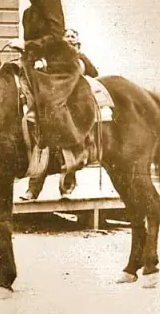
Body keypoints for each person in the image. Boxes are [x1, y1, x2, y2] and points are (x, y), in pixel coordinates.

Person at [4, 0, 96, 201]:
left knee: (50, 109)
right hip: (35, 65)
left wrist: (28, 45)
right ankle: (34, 173)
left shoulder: (50, 0)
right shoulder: (26, 13)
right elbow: (32, 48)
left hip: (58, 64)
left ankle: (74, 156)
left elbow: (57, 35)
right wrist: (25, 53)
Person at [22, 27, 100, 200]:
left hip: (75, 102)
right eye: (67, 36)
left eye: (74, 36)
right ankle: (33, 190)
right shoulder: (54, 57)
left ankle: (66, 188)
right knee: (43, 143)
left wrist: (81, 60)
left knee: (72, 145)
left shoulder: (81, 57)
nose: (70, 39)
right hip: (56, 99)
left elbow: (94, 73)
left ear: (78, 42)